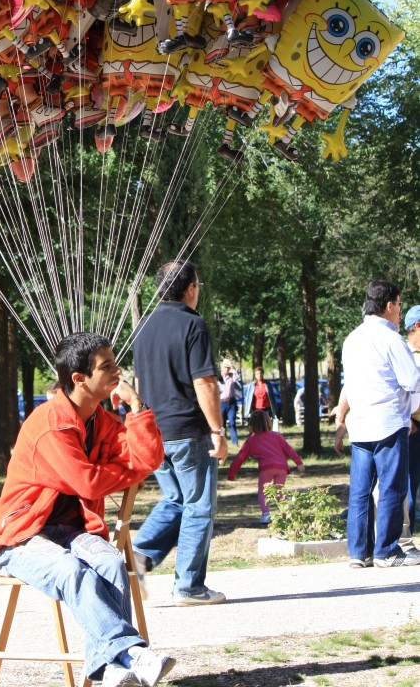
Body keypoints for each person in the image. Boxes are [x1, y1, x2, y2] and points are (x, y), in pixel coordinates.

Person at [0, 331, 174, 687]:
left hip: (72, 532)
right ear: (79, 378)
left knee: (110, 562)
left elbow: (148, 460)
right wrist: (124, 474)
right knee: (73, 570)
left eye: (115, 363)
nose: (117, 372)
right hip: (22, 536)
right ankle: (132, 653)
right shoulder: (51, 425)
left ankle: (111, 669)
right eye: (107, 367)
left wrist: (137, 407)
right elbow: (87, 483)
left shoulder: (101, 422)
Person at [131, 259, 228, 606]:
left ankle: (137, 557)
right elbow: (204, 381)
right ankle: (189, 587)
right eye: (198, 285)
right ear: (190, 288)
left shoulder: (142, 328)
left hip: (156, 430)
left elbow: (139, 383)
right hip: (189, 429)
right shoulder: (193, 324)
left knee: (175, 500)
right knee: (199, 506)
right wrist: (218, 430)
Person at [334, 280, 420, 568]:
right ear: (389, 305)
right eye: (399, 304)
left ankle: (360, 553)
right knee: (392, 487)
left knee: (360, 492)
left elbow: (349, 384)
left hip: (360, 424)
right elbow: (412, 381)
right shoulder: (391, 340)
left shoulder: (352, 339)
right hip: (389, 423)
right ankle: (387, 551)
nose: (400, 312)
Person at [227, 410, 305, 524]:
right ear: (268, 422)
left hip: (266, 468)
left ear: (251, 424)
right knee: (278, 490)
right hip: (282, 468)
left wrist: (231, 473)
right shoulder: (276, 435)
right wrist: (299, 463)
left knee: (263, 491)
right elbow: (288, 449)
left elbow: (240, 457)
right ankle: (287, 508)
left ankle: (266, 515)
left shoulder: (251, 440)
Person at [404, 306, 420, 536]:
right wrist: (407, 419)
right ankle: (405, 537)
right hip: (413, 428)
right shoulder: (403, 353)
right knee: (409, 483)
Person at [219, 359, 240, 445]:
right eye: (225, 367)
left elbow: (238, 375)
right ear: (222, 367)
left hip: (231, 403)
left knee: (232, 422)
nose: (226, 369)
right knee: (221, 424)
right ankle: (222, 440)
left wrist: (233, 366)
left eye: (228, 368)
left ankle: (234, 442)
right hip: (221, 403)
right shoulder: (218, 377)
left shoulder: (232, 376)